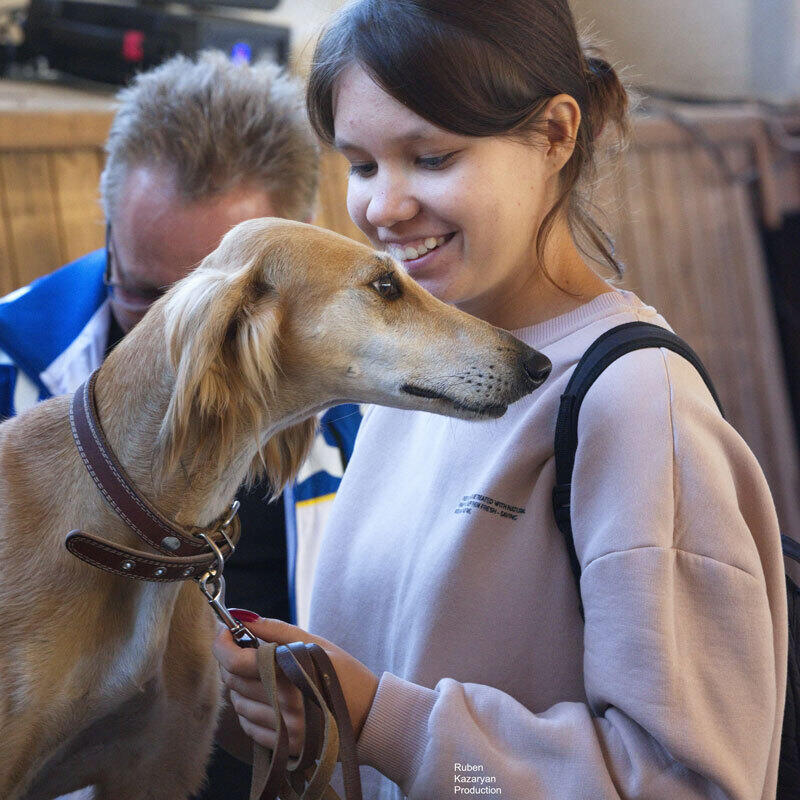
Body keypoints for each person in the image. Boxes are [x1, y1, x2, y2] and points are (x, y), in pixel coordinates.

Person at [213, 2, 788, 798]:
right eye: (364, 164)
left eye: (433, 157)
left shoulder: (635, 407)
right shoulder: (406, 386)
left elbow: (678, 784)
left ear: (555, 135)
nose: (384, 207)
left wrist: (386, 724)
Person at [0, 50, 360, 799]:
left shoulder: (363, 416)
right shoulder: (11, 368)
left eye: (215, 317)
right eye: (144, 294)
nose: (173, 348)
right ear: (108, 233)